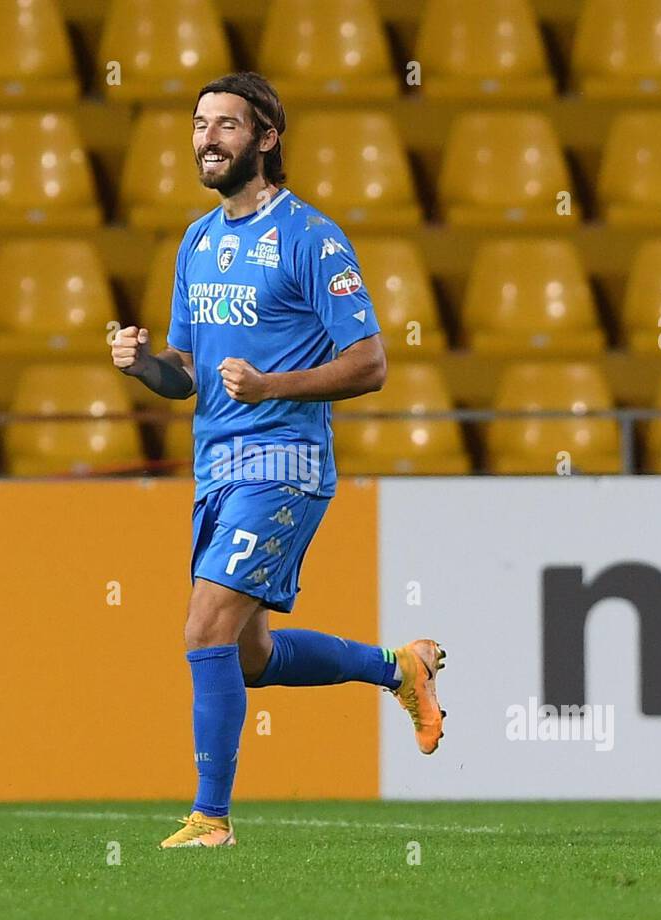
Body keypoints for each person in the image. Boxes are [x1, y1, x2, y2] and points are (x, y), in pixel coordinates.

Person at [111, 72, 446, 849]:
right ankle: (400, 667)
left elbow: (370, 363)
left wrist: (271, 386)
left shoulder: (310, 237)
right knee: (249, 656)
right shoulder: (196, 242)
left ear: (265, 139)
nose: (208, 138)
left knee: (204, 631)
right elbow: (188, 373)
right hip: (216, 468)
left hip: (284, 462)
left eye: (228, 125)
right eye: (200, 124)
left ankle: (211, 820)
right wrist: (142, 367)